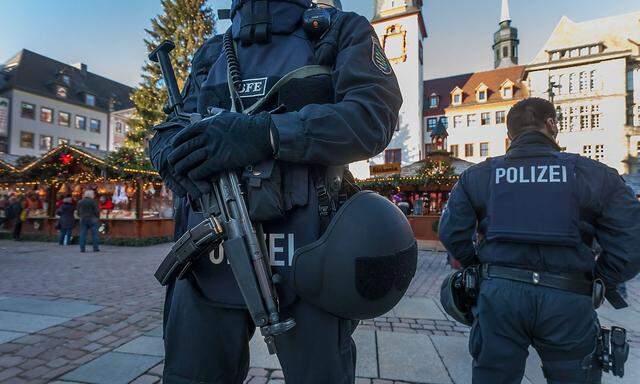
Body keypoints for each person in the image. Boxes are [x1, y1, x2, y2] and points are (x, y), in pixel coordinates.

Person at [149, 0, 401, 382]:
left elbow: (372, 118)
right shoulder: (213, 52)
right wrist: (170, 156)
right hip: (207, 249)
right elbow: (170, 126)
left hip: (309, 253)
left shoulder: (338, 31)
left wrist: (266, 134)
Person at [439, 97, 640, 383]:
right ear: (551, 125)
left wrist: (480, 268)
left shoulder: (479, 176)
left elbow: (451, 233)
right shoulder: (595, 175)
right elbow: (631, 241)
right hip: (568, 297)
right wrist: (601, 279)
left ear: (509, 136)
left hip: (500, 297)